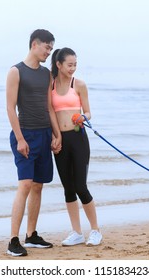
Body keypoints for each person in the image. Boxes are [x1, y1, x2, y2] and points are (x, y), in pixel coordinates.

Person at [6, 29, 62, 257]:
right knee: (25, 185)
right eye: (47, 47)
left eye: (51, 48)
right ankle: (13, 241)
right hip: (25, 134)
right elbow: (10, 107)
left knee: (38, 185)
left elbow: (49, 107)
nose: (49, 52)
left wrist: (57, 134)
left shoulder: (46, 75)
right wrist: (19, 138)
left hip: (44, 134)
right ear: (34, 44)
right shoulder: (15, 71)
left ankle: (31, 235)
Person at [50, 47, 102, 246]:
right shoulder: (51, 85)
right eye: (69, 65)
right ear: (59, 65)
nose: (73, 68)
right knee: (68, 189)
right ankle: (77, 232)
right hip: (60, 140)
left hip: (78, 138)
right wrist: (55, 137)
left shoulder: (79, 84)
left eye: (75, 65)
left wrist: (83, 116)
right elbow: (50, 112)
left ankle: (95, 230)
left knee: (80, 186)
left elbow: (88, 112)